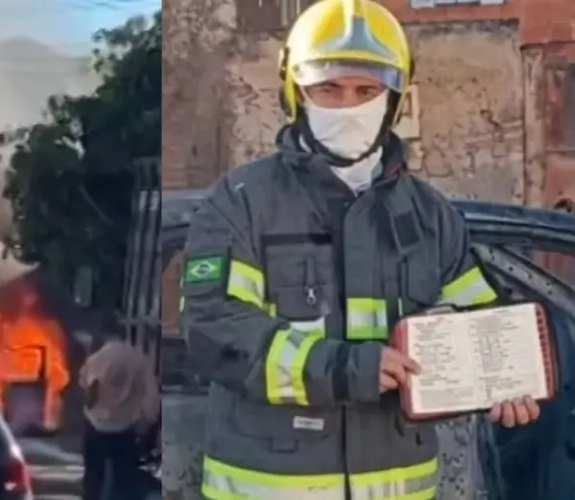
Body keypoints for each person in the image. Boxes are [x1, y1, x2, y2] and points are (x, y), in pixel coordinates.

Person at [177, 0, 540, 498]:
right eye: (329, 88)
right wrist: (347, 368)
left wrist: (506, 380)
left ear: (393, 98)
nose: (347, 106)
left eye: (366, 90)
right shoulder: (240, 202)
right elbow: (213, 329)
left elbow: (479, 320)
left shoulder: (432, 215)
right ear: (295, 92)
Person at [79, 336, 160, 500]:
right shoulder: (139, 360)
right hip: (125, 430)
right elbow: (152, 402)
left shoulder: (98, 358)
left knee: (94, 480)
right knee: (123, 481)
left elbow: (85, 384)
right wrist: (147, 426)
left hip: (95, 426)